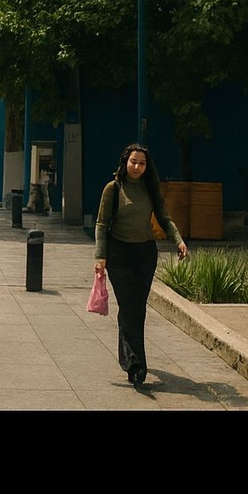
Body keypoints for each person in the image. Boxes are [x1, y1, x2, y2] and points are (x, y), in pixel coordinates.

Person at [94, 142, 188, 387]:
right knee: (128, 306)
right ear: (125, 162)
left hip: (145, 254)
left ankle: (132, 359)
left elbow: (164, 217)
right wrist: (100, 256)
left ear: (147, 166)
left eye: (142, 163)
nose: (137, 167)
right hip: (119, 253)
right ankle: (136, 364)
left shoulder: (149, 188)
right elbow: (102, 224)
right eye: (133, 162)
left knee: (137, 308)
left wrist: (178, 241)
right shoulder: (113, 189)